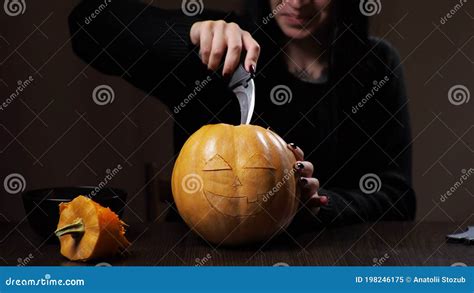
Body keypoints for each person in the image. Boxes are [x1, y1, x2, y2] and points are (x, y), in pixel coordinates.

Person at [69, 0, 416, 228]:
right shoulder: (218, 50)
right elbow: (87, 25)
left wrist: (322, 203)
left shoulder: (376, 65)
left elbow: (397, 196)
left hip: (327, 261)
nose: (297, 2)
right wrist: (189, 30)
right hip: (202, 261)